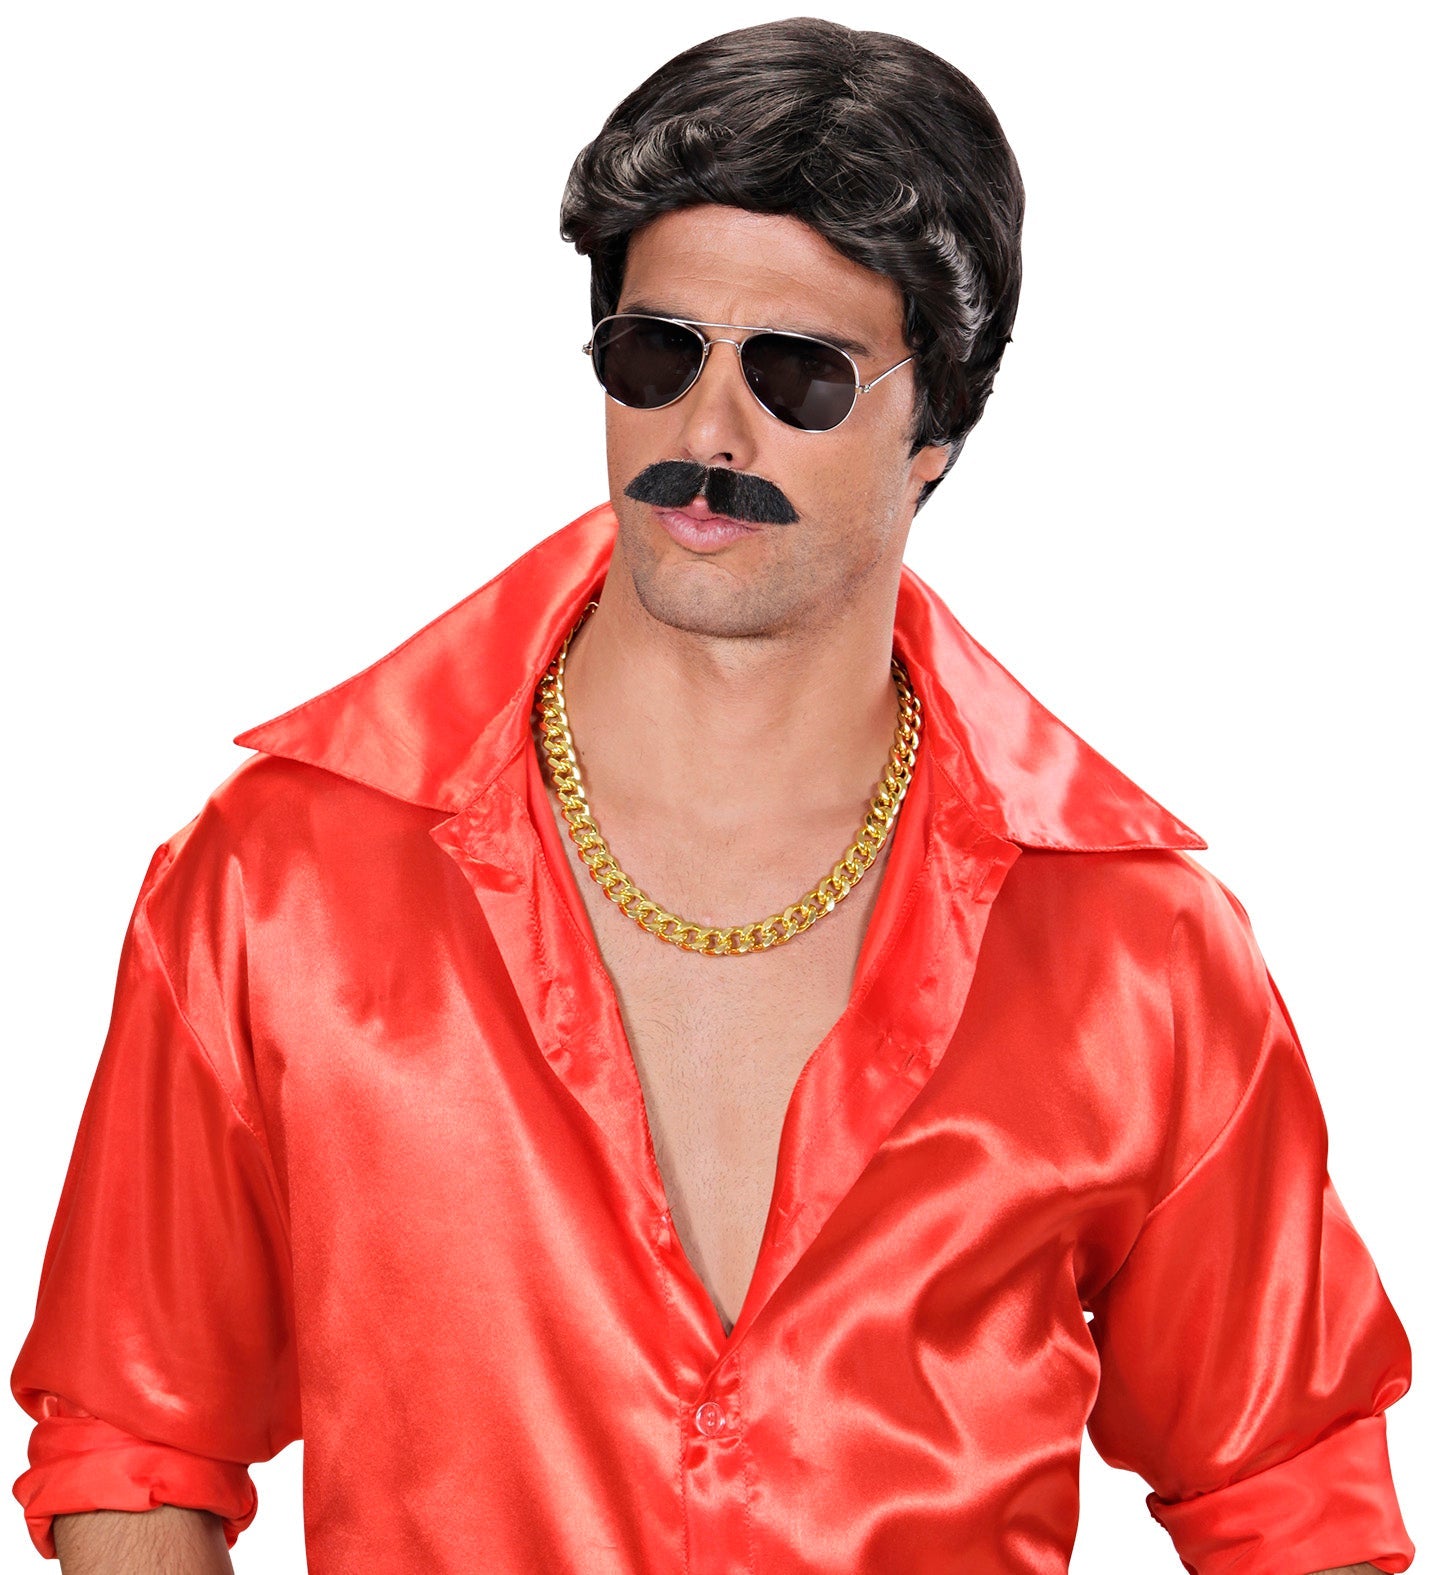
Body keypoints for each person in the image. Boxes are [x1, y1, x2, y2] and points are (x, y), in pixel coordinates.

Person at [8, 17, 1414, 1575]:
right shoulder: (280, 877)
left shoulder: (1136, 950)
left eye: (800, 376)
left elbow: (1283, 1492)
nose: (707, 434)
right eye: (656, 355)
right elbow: (137, 1434)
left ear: (936, 431)